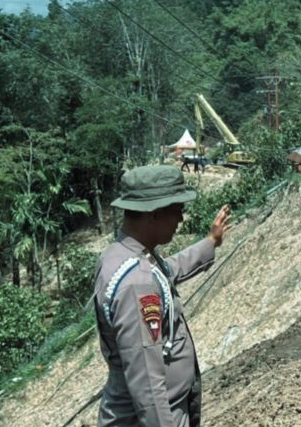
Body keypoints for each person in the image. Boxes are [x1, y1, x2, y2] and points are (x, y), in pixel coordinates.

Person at [94, 165, 232, 427]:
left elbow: (167, 270)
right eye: (177, 210)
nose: (181, 219)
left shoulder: (125, 255)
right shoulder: (137, 284)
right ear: (154, 215)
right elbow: (147, 386)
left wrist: (210, 242)